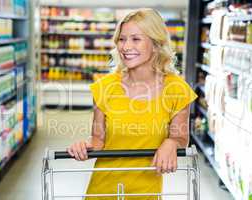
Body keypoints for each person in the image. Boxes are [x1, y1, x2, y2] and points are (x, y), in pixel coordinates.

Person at [67, 8, 197, 200]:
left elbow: (180, 139)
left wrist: (171, 142)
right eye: (121, 39)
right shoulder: (105, 88)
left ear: (155, 43)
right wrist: (83, 146)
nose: (126, 46)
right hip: (103, 191)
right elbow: (98, 141)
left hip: (146, 193)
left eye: (135, 39)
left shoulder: (177, 90)